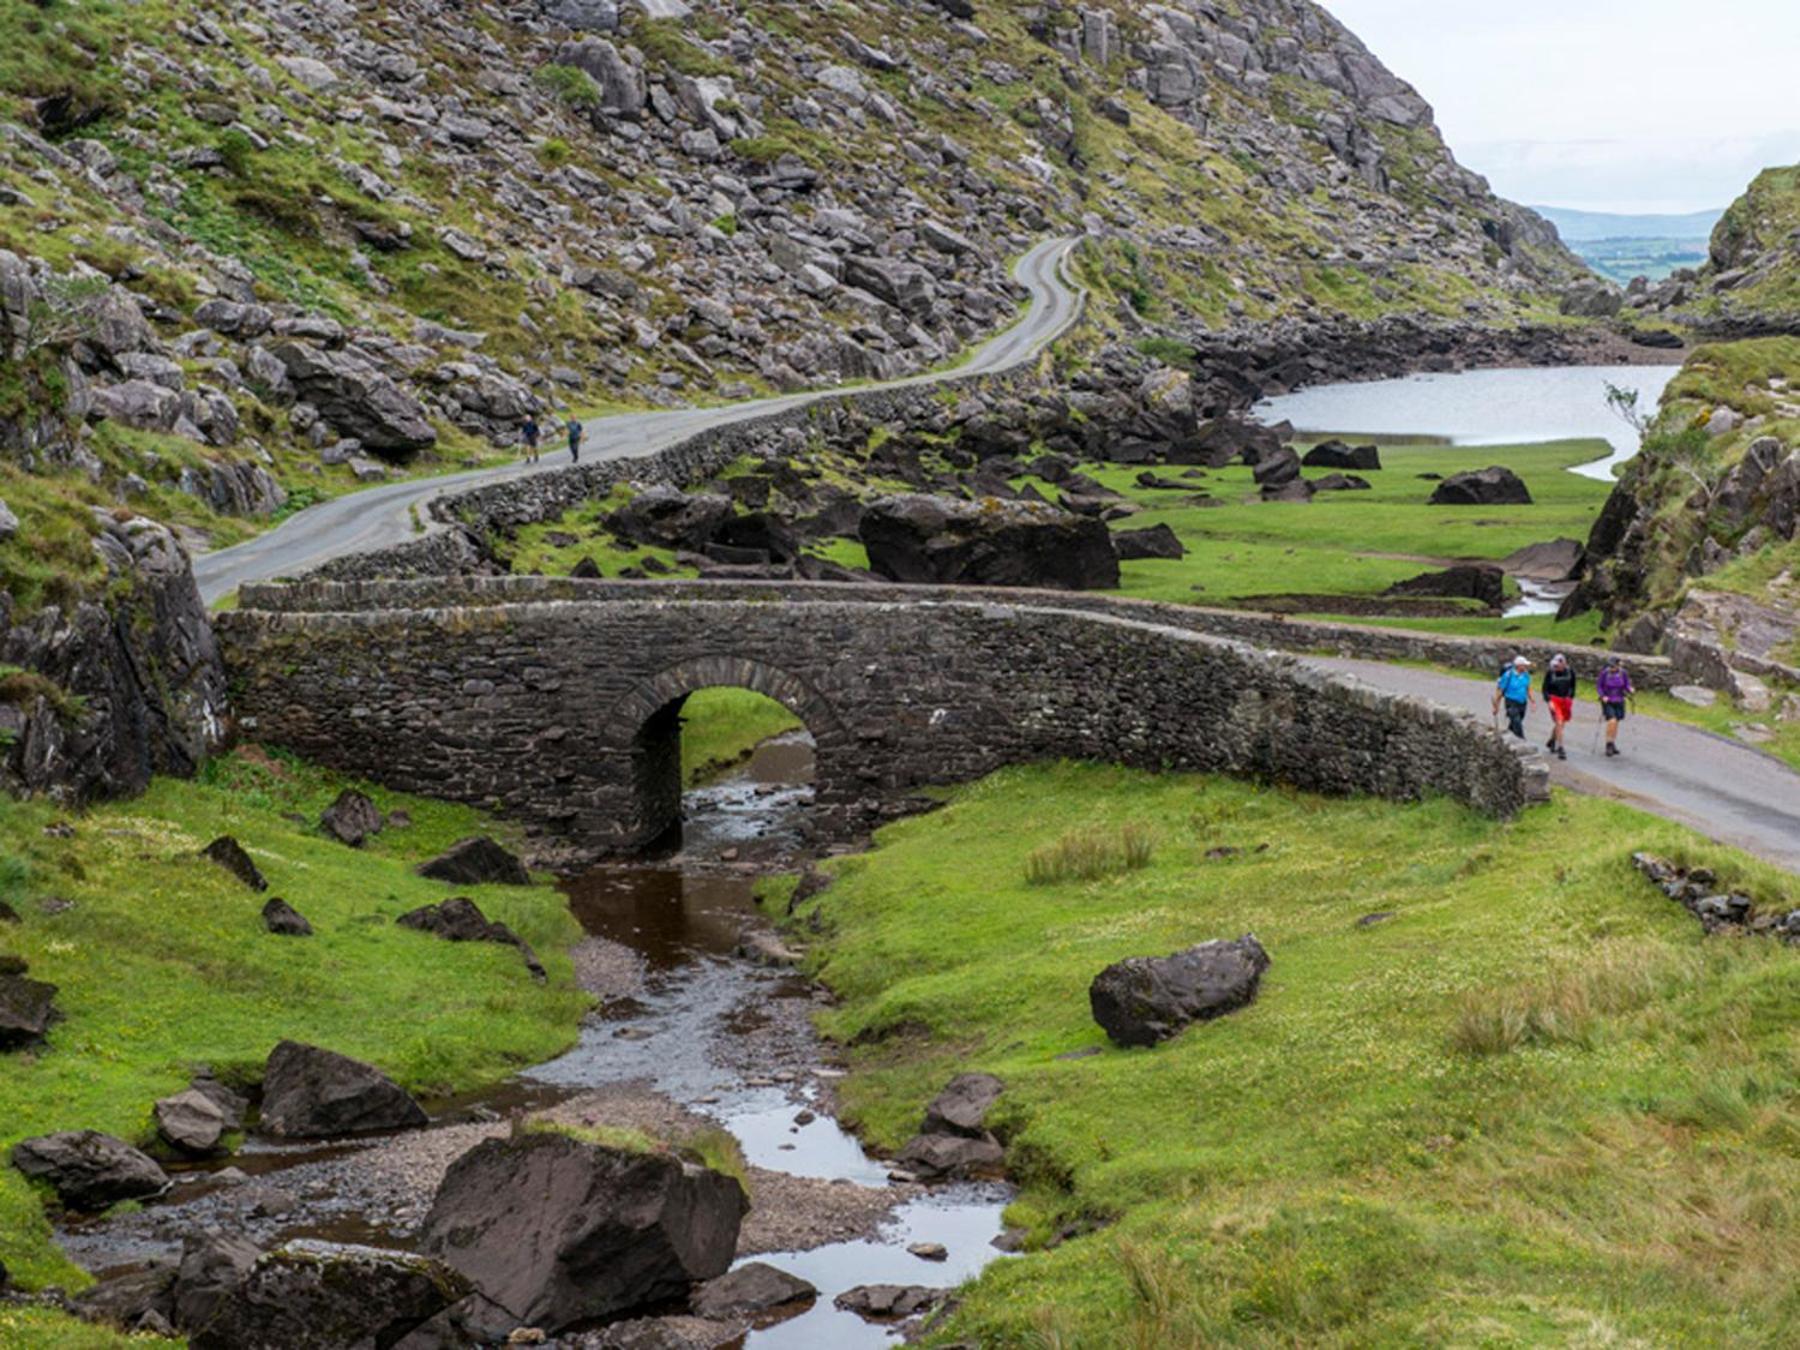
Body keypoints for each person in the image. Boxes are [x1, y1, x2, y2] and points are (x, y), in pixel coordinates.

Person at [1596, 655, 1635, 757]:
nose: (1611, 668)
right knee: (1611, 721)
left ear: (1618, 666)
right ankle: (1608, 744)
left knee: (1616, 723)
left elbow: (1626, 685)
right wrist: (1603, 696)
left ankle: (1612, 743)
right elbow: (1599, 686)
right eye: (1610, 666)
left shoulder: (1623, 673)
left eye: (1613, 666)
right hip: (1608, 701)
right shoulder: (1604, 673)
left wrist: (1630, 689)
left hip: (1619, 700)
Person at [1540, 653, 1576, 760]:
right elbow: (1545, 689)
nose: (1555, 668)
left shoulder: (1570, 672)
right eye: (1554, 666)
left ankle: (1552, 740)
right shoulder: (1550, 673)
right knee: (1559, 722)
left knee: (1561, 724)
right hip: (1554, 699)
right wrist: (1549, 701)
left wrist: (1570, 697)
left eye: (1557, 666)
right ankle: (1560, 747)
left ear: (1563, 663)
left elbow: (1573, 686)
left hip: (1565, 700)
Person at [1493, 654, 1535, 740]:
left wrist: (1532, 701)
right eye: (1524, 665)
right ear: (1518, 666)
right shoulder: (1508, 675)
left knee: (1516, 722)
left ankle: (1507, 737)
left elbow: (1528, 688)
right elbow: (1500, 691)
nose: (1526, 667)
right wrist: (1496, 705)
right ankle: (1522, 739)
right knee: (1516, 721)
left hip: (1522, 702)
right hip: (1511, 702)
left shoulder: (1526, 675)